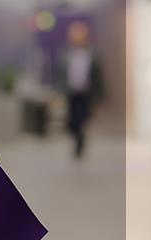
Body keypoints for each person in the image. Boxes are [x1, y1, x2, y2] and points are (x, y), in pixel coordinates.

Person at [58, 20, 103, 159]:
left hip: (86, 93)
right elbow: (61, 75)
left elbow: (98, 77)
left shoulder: (92, 54)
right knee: (72, 121)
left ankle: (80, 143)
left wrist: (98, 97)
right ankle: (77, 137)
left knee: (83, 118)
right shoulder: (65, 54)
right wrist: (59, 92)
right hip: (71, 92)